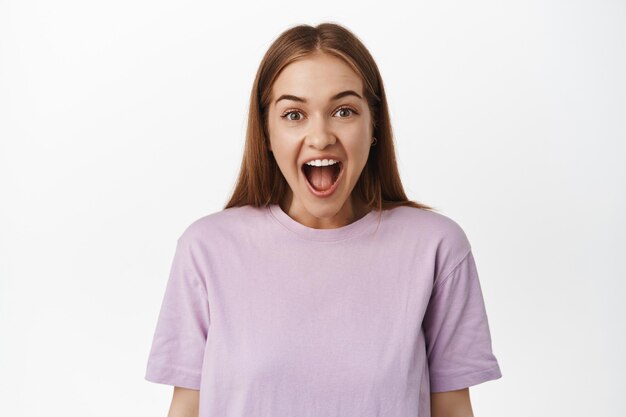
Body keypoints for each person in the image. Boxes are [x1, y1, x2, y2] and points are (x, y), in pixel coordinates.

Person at [144, 22, 502, 417]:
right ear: (266, 131)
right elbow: (187, 406)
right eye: (294, 114)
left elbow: (452, 408)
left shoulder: (436, 248)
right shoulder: (207, 249)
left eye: (344, 111)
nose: (320, 136)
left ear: (374, 125)